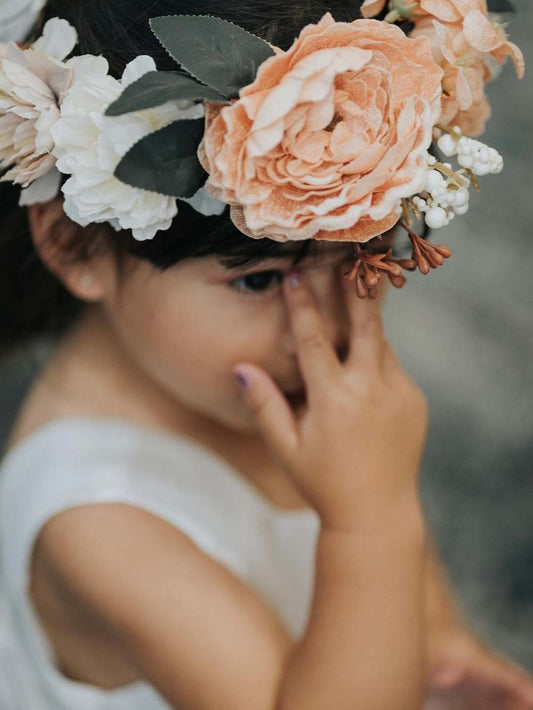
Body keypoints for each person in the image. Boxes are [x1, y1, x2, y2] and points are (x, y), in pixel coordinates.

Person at [1, 2, 533, 710]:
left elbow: (367, 514)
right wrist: (373, 518)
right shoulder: (100, 528)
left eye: (358, 255)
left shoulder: (240, 367)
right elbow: (371, 512)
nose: (333, 322)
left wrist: (434, 635)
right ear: (77, 246)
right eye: (255, 279)